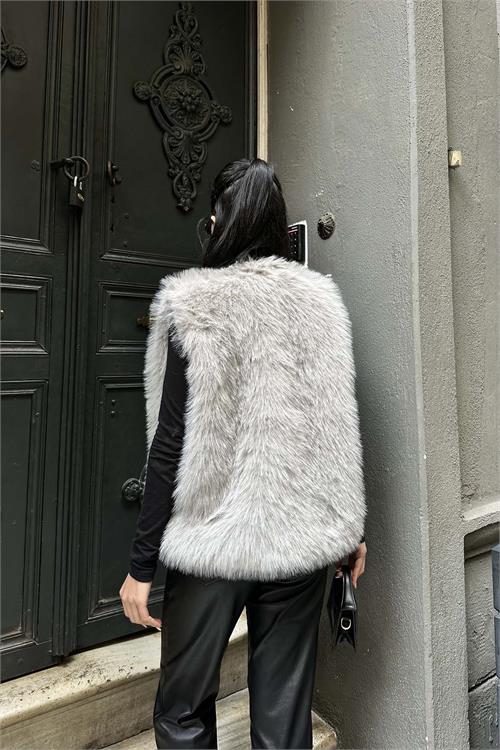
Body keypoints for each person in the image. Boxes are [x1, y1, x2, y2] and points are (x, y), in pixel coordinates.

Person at [119, 157, 368, 750]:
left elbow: (170, 443)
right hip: (299, 543)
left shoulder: (193, 305)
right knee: (284, 721)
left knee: (182, 711)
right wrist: (348, 532)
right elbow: (335, 426)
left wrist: (141, 566)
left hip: (213, 543)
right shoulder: (320, 304)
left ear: (218, 222)